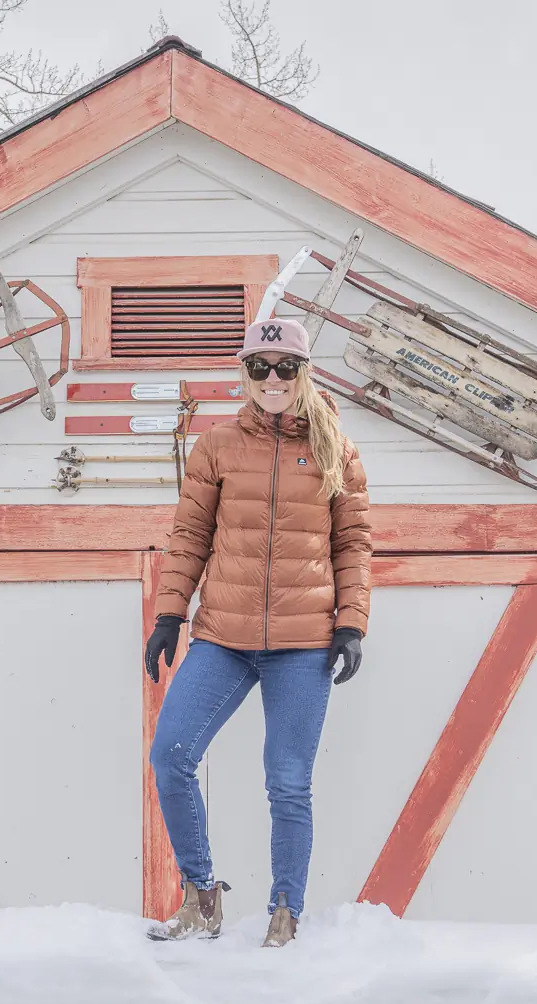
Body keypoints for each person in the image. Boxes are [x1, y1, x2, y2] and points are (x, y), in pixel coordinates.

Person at [142, 316, 371, 948]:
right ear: (246, 375)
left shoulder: (336, 450)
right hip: (224, 637)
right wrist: (169, 614)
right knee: (171, 756)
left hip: (303, 644)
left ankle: (284, 913)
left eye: (286, 367)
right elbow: (190, 535)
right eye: (260, 368)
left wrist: (351, 623)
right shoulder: (216, 446)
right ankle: (200, 896)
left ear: (303, 373)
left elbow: (353, 543)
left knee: (287, 780)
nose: (273, 379)